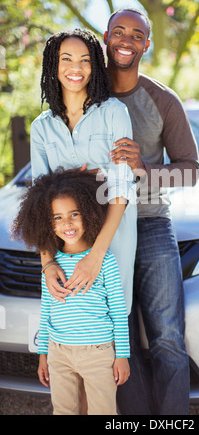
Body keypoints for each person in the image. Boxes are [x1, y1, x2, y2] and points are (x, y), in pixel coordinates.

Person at [104, 8, 199, 415]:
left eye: (136, 34)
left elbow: (191, 173)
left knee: (167, 338)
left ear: (147, 43)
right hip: (100, 233)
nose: (127, 40)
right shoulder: (85, 96)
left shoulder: (162, 100)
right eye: (119, 31)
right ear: (105, 37)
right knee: (118, 339)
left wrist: (144, 169)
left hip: (151, 226)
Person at [30, 28, 137, 314]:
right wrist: (48, 263)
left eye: (85, 60)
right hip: (64, 243)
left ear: (95, 67)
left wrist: (96, 256)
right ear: (54, 65)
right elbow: (39, 200)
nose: (75, 68)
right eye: (66, 59)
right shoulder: (41, 127)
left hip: (113, 238)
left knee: (112, 320)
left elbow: (121, 186)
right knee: (72, 324)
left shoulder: (114, 113)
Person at [11, 169, 130, 415]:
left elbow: (118, 312)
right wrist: (43, 354)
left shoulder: (104, 261)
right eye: (57, 218)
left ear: (88, 213)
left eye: (74, 214)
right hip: (59, 353)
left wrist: (122, 356)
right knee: (63, 411)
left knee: (104, 412)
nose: (66, 224)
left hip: (98, 353)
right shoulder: (51, 267)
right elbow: (46, 312)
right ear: (47, 223)